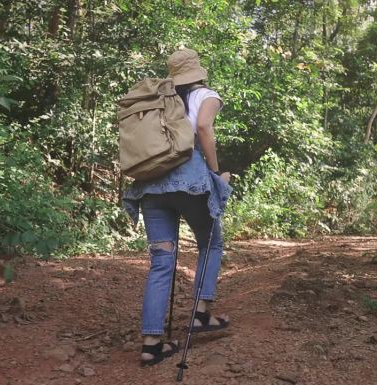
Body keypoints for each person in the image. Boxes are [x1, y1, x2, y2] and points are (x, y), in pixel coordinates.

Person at [122, 48, 233, 366]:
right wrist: (215, 173)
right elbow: (203, 129)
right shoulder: (207, 95)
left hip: (151, 186)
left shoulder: (159, 100)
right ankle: (200, 314)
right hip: (190, 183)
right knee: (211, 243)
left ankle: (151, 344)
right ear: (198, 72)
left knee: (161, 262)